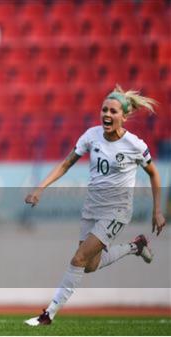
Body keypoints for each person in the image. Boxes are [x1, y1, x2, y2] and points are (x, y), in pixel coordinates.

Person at [24, 85, 166, 326]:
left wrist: (157, 210)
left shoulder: (135, 145)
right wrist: (40, 188)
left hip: (117, 210)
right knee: (90, 265)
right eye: (104, 110)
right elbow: (66, 164)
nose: (107, 115)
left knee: (78, 259)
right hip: (92, 207)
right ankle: (136, 246)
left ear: (123, 116)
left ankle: (48, 314)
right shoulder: (91, 136)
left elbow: (154, 173)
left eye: (113, 111)